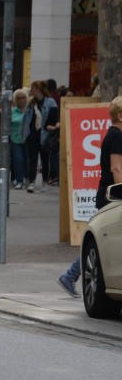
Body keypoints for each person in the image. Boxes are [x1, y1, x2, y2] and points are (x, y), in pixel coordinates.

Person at [58, 96, 122, 296]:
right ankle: (71, 275)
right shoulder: (118, 136)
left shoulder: (112, 134)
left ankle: (70, 275)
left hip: (107, 193)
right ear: (120, 116)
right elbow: (116, 168)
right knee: (101, 239)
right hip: (112, 195)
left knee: (101, 239)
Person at [25, 80, 57, 193]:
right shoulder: (31, 103)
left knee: (45, 159)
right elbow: (26, 120)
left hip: (45, 134)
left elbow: (55, 117)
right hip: (33, 134)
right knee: (32, 159)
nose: (30, 90)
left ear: (38, 89)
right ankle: (32, 182)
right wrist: (24, 134)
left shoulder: (50, 102)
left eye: (32, 88)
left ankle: (44, 182)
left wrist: (53, 126)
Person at [8, 89, 30, 189]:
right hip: (15, 139)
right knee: (18, 160)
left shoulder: (30, 110)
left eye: (23, 98)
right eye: (18, 98)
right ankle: (19, 180)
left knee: (28, 160)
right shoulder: (12, 111)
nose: (21, 100)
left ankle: (28, 179)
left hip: (28, 139)